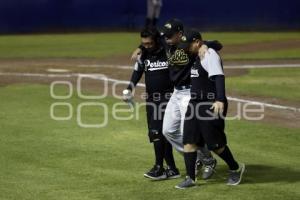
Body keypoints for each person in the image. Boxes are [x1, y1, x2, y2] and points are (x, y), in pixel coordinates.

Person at [131, 19, 223, 180]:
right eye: (165, 35)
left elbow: (217, 44)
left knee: (187, 132)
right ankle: (197, 157)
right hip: (176, 93)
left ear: (180, 34)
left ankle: (207, 160)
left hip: (189, 93)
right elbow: (152, 38)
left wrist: (205, 45)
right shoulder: (166, 41)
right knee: (168, 131)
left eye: (170, 35)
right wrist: (140, 47)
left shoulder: (188, 43)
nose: (166, 38)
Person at [175, 30, 245, 189]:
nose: (186, 49)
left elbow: (219, 76)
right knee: (189, 141)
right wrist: (208, 43)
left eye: (188, 45)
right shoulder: (196, 53)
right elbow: (216, 42)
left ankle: (235, 168)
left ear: (197, 42)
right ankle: (190, 179)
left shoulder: (209, 54)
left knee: (215, 144)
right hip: (194, 103)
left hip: (210, 103)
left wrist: (220, 99)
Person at [123, 27, 180, 180]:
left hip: (169, 98)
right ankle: (172, 169)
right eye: (144, 43)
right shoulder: (145, 54)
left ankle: (159, 168)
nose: (147, 46)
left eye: (149, 43)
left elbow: (164, 35)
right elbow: (137, 72)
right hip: (152, 99)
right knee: (159, 134)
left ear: (156, 41)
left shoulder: (168, 51)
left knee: (159, 133)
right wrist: (129, 88)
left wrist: (140, 47)